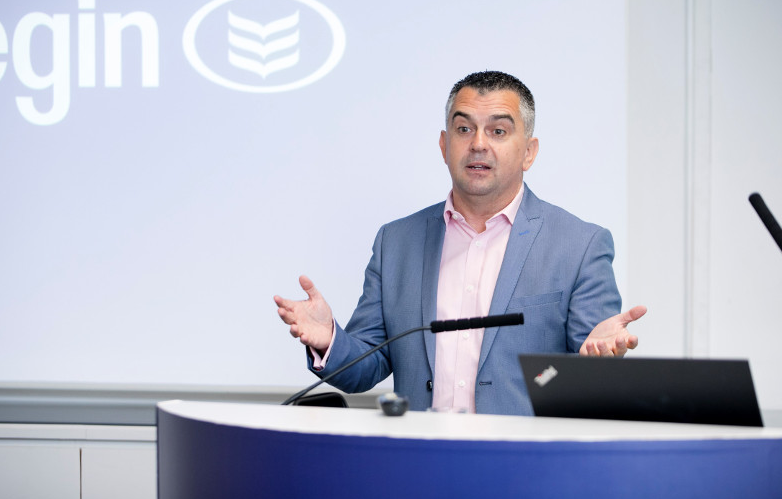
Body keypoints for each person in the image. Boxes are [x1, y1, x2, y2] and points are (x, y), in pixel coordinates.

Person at [275, 70, 646, 415]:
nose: (478, 144)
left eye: (498, 131)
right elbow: (364, 367)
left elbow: (585, 382)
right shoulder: (396, 242)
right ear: (444, 144)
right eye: (464, 129)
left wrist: (596, 362)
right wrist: (329, 341)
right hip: (420, 462)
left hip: (522, 467)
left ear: (529, 152)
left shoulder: (580, 245)